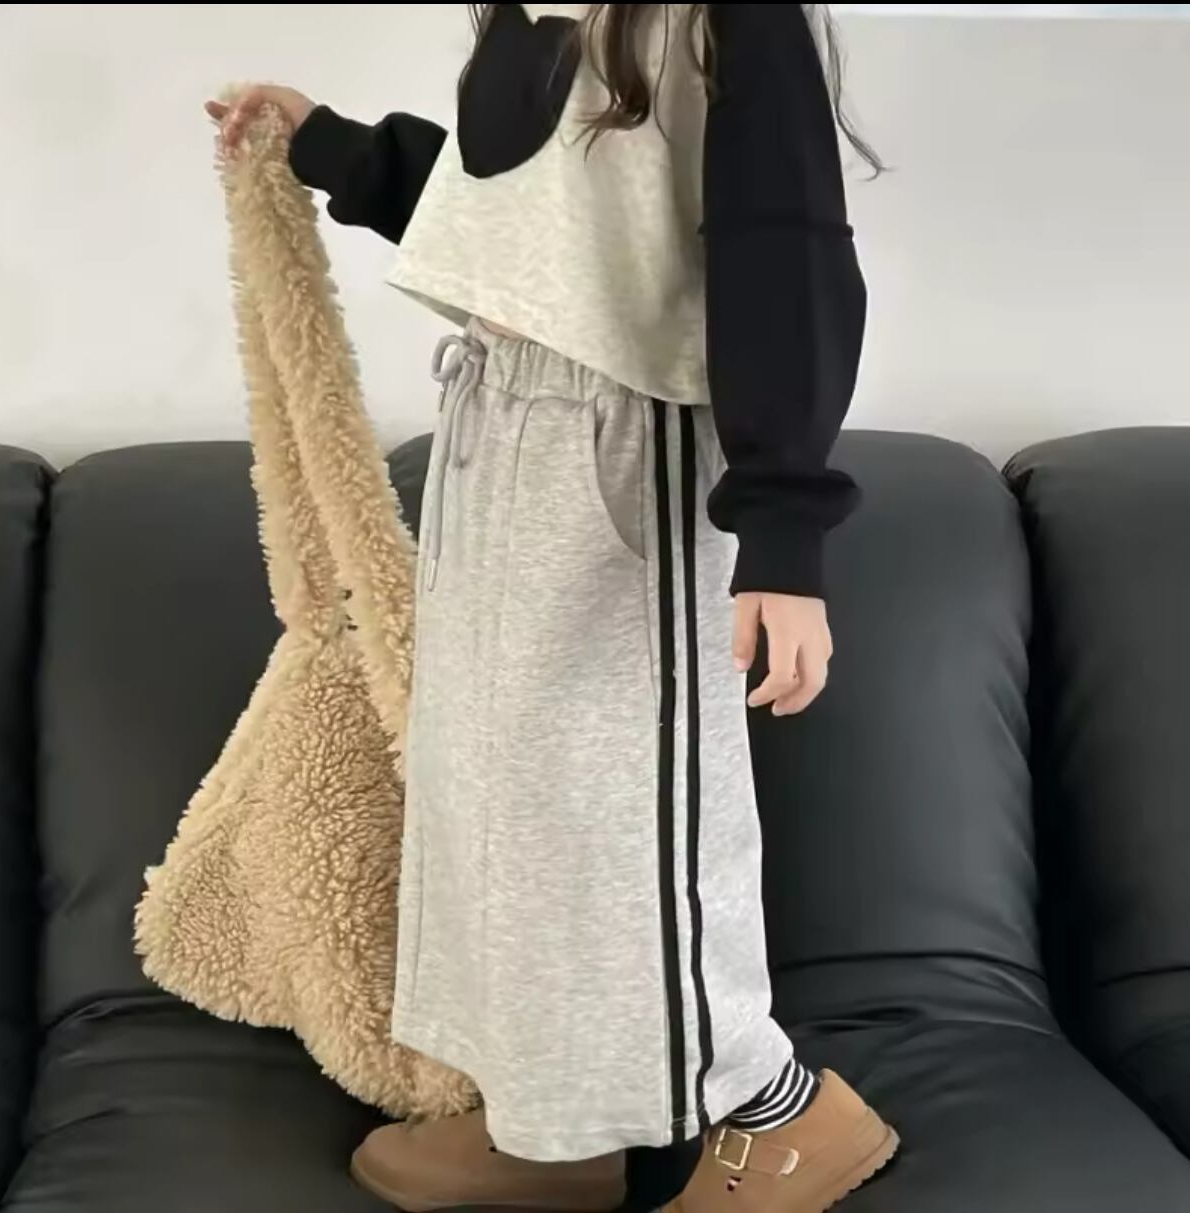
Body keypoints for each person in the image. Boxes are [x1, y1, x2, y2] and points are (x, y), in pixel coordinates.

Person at [208, 4, 897, 1210]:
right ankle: (556, 1121)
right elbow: (527, 220)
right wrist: (328, 146)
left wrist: (784, 538)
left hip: (624, 446)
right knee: (500, 807)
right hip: (497, 425)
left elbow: (783, 255)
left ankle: (782, 1109)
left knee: (620, 817)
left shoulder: (724, 20)